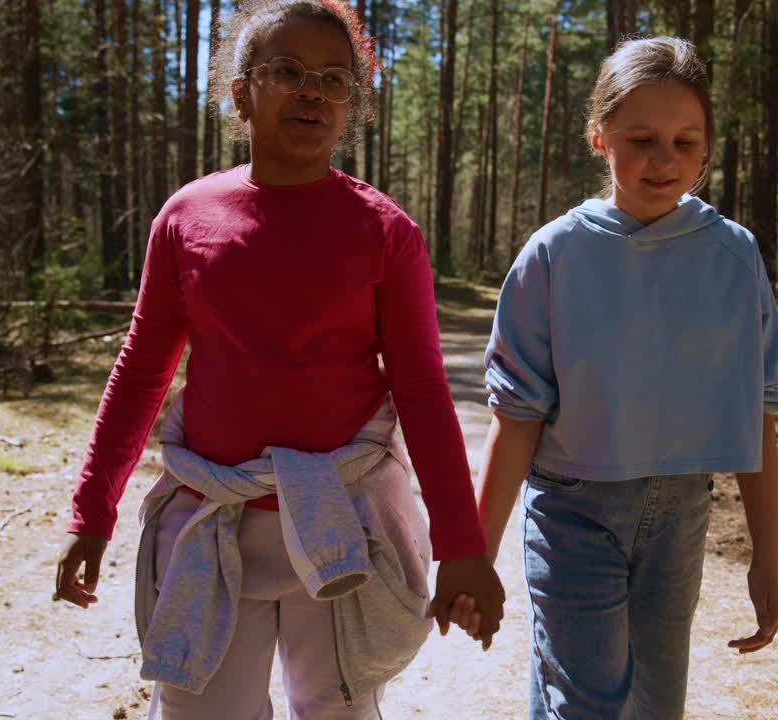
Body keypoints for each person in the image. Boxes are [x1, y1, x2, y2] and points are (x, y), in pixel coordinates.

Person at [51, 2, 503, 717]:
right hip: (211, 518)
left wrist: (462, 545)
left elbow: (419, 389)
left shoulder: (385, 232)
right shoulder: (187, 217)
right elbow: (143, 368)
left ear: (350, 105)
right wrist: (92, 509)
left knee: (337, 708)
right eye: (286, 71)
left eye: (333, 78)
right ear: (241, 94)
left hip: (343, 529)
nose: (312, 91)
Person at [461, 36, 778, 719]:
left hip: (681, 515)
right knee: (584, 704)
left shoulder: (733, 256)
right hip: (572, 511)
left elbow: (756, 407)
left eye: (686, 141)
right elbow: (516, 418)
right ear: (598, 136)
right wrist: (476, 557)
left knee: (653, 704)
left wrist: (767, 556)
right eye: (642, 137)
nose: (664, 160)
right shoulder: (554, 255)